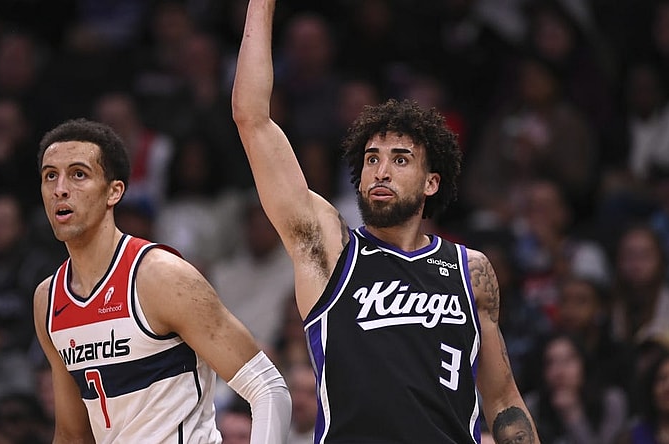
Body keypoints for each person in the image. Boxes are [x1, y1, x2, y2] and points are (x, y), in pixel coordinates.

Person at [231, 1, 539, 442]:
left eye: (400, 159)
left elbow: (503, 400)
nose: (381, 170)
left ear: (431, 183)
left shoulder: (471, 270)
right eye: (372, 158)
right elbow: (252, 119)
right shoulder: (331, 251)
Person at [33, 118, 291, 443]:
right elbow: (72, 435)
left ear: (114, 192)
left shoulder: (161, 277)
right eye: (50, 176)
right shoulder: (48, 299)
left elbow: (268, 387)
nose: (60, 189)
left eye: (78, 174)